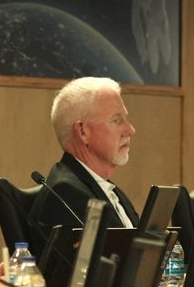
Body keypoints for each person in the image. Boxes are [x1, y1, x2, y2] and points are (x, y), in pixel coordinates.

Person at [28, 77, 140, 257]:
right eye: (117, 120)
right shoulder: (66, 193)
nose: (130, 129)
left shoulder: (104, 188)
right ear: (82, 132)